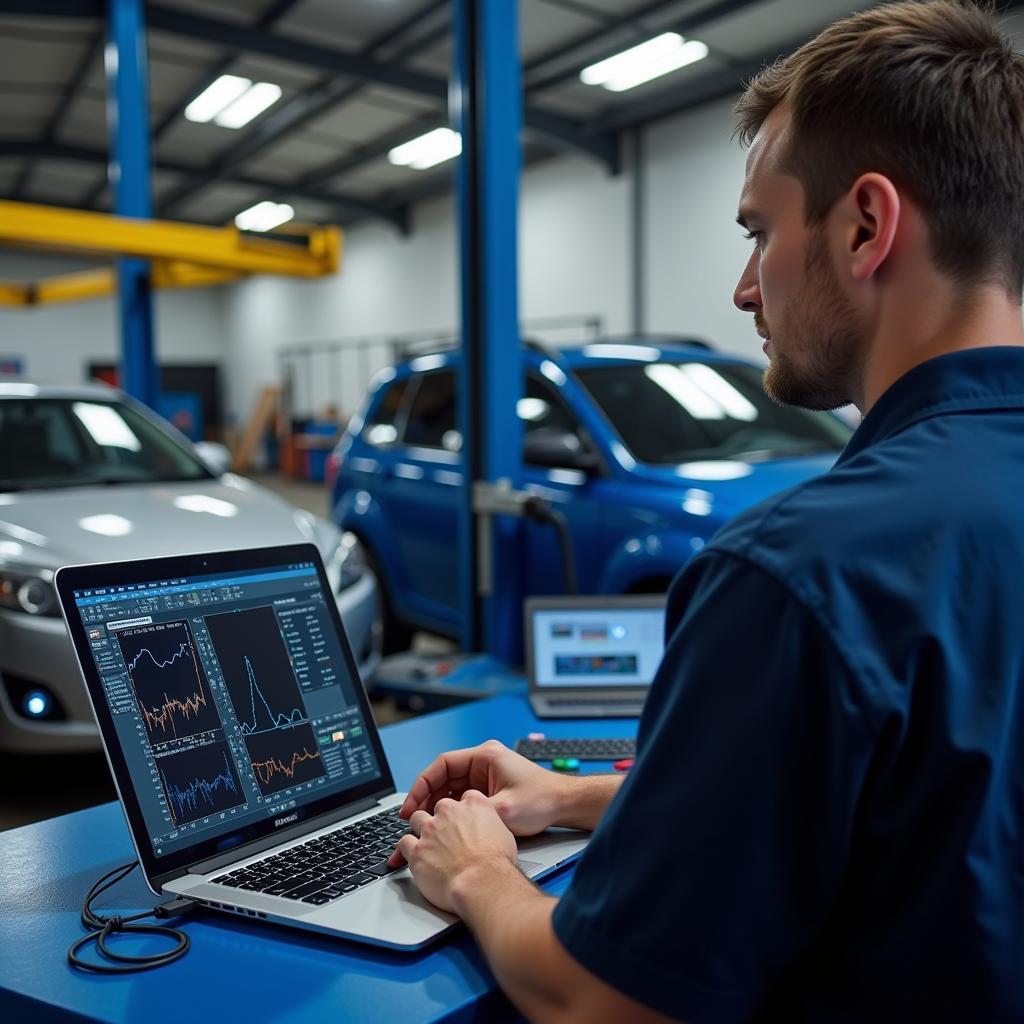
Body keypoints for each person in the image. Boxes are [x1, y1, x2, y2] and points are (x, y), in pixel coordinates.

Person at [385, 2, 1024, 1020]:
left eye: (759, 231)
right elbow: (930, 811)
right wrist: (575, 794)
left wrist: (475, 872)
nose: (741, 288)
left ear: (865, 225)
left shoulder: (800, 570)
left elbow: (598, 1002)